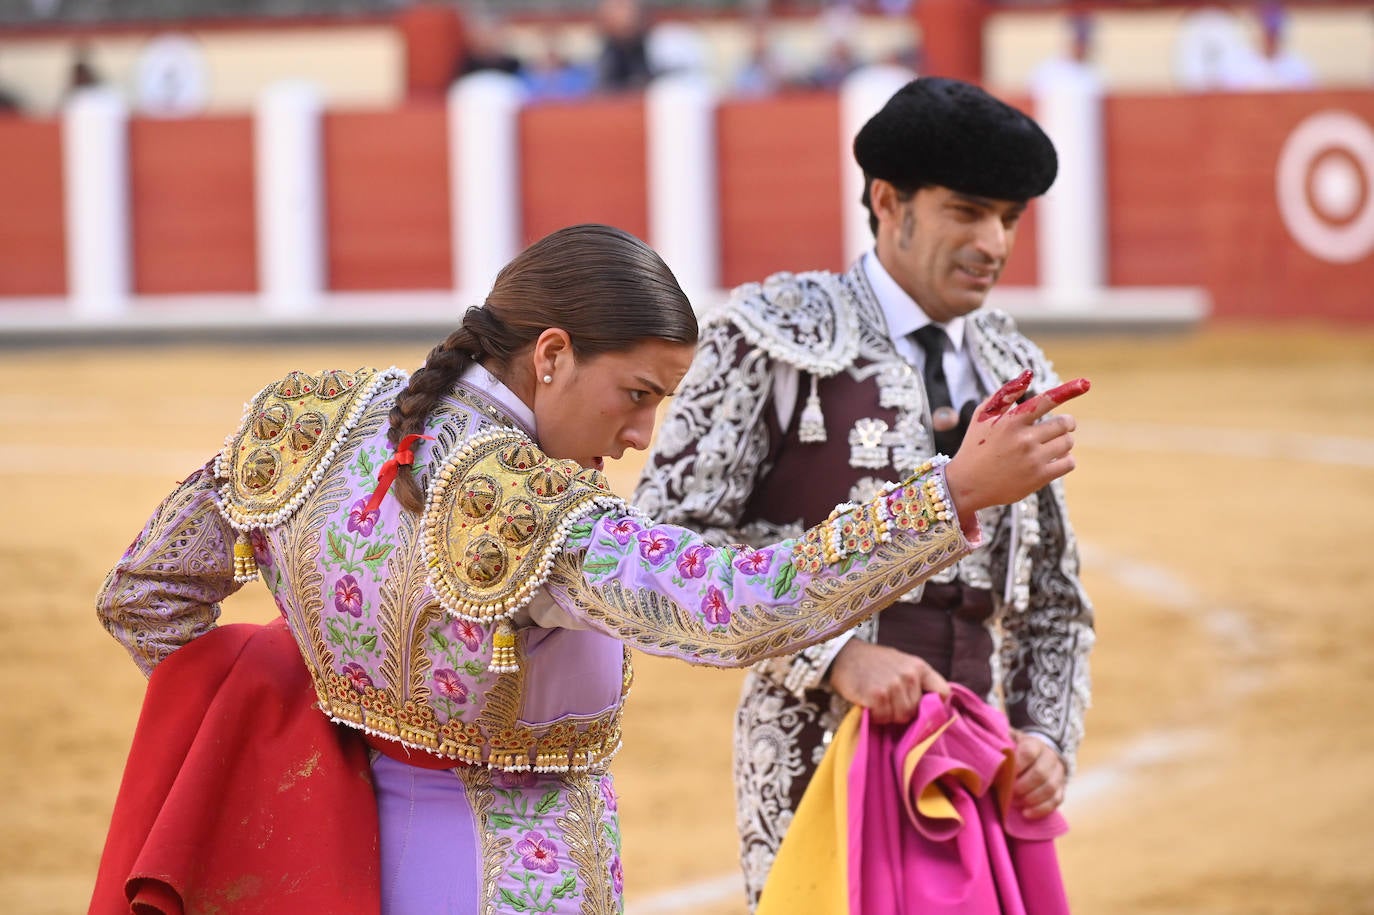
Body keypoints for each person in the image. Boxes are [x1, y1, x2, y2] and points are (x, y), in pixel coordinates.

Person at [93, 223, 1087, 914]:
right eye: (636, 393)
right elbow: (737, 605)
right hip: (516, 881)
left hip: (331, 863)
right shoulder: (538, 516)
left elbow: (146, 598)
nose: (642, 434)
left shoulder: (307, 418)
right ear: (553, 354)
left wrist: (300, 718)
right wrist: (946, 495)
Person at [633, 77, 1096, 910]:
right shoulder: (770, 338)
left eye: (1010, 219)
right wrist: (833, 655)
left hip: (976, 769)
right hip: (820, 756)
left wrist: (1043, 738)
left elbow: (1054, 601)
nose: (993, 242)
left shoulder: (1017, 370)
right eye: (968, 210)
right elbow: (665, 552)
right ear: (889, 201)